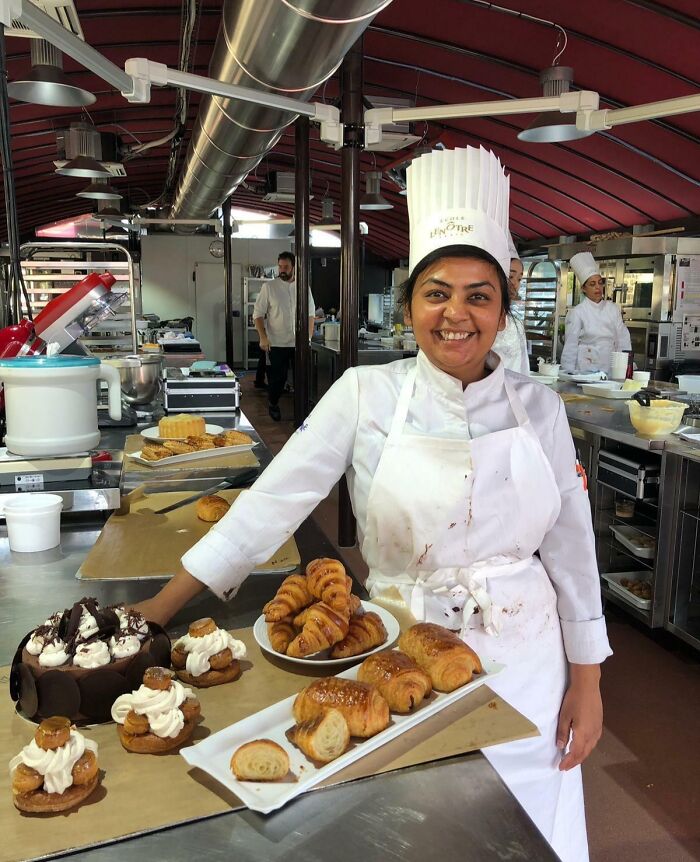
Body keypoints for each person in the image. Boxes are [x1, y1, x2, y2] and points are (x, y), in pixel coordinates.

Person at [136, 147, 610, 862]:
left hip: (527, 658)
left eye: (479, 295)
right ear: (412, 302)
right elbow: (273, 502)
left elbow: (573, 548)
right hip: (399, 652)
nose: (457, 314)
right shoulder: (367, 393)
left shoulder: (538, 408)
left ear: (502, 311)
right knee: (417, 831)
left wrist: (588, 680)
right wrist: (159, 607)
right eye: (437, 293)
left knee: (527, 831)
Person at [253, 251, 316, 420]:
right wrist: (263, 337)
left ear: (293, 267)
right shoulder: (269, 287)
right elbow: (257, 315)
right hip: (277, 343)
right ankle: (273, 403)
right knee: (277, 380)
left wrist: (308, 337)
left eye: (286, 267)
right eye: (280, 266)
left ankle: (302, 412)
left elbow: (311, 314)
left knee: (301, 379)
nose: (282, 270)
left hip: (299, 344)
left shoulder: (303, 287)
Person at [560, 252, 631, 375]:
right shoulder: (577, 312)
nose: (598, 287)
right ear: (583, 288)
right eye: (592, 284)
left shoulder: (613, 309)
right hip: (585, 370)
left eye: (600, 283)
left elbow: (623, 338)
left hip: (610, 368)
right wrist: (567, 373)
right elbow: (571, 345)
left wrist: (626, 367)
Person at [492, 233, 528, 373]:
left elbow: (524, 368)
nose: (515, 283)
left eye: (519, 279)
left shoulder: (516, 324)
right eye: (511, 276)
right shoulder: (481, 319)